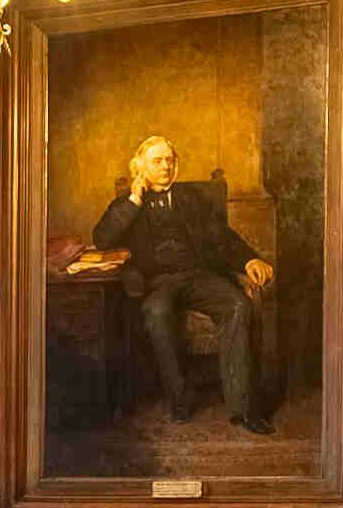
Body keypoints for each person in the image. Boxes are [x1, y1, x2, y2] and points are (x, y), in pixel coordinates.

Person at [89, 138, 278, 426]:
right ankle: (179, 400)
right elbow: (102, 239)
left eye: (170, 160)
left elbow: (222, 237)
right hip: (156, 283)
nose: (166, 166)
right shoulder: (127, 204)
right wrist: (135, 199)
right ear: (140, 167)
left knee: (238, 304)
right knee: (156, 311)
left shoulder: (193, 199)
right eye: (157, 161)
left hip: (198, 276)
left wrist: (249, 260)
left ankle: (244, 408)